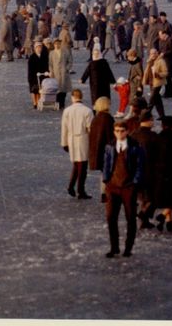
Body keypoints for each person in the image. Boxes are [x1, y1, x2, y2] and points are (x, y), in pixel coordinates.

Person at [102, 120, 146, 258]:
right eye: (116, 131)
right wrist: (106, 180)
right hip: (113, 187)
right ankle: (114, 247)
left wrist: (134, 183)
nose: (119, 134)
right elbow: (106, 164)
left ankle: (128, 248)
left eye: (122, 131)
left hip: (128, 187)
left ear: (127, 131)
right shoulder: (110, 146)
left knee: (130, 218)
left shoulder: (135, 146)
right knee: (111, 218)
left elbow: (140, 166)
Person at [60, 89, 93, 199]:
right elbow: (90, 129)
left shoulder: (67, 111)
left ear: (72, 97)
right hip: (83, 139)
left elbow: (64, 128)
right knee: (82, 165)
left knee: (76, 164)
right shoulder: (87, 111)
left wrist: (64, 142)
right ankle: (80, 189)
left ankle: (72, 186)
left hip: (71, 138)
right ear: (81, 96)